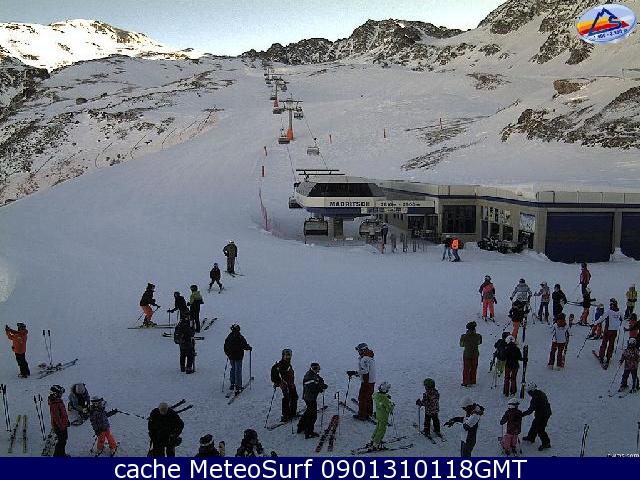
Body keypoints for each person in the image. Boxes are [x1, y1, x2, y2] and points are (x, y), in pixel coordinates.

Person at [297, 362, 327, 439]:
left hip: (310, 397)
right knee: (312, 415)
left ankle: (300, 427)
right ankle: (309, 432)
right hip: (309, 398)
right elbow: (313, 388)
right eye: (318, 369)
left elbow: (319, 379)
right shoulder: (309, 376)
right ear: (314, 368)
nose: (319, 370)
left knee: (308, 412)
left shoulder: (313, 374)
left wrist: (322, 384)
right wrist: (321, 388)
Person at [347, 343, 376, 420]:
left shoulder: (364, 359)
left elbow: (366, 371)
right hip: (372, 381)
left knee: (362, 398)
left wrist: (355, 372)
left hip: (366, 382)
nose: (358, 352)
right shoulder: (370, 356)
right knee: (368, 397)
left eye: (359, 350)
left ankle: (362, 415)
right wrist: (358, 374)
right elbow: (368, 370)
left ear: (363, 350)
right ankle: (369, 412)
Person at [522, 383, 552, 451]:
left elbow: (530, 410)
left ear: (531, 391)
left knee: (540, 429)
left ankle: (546, 443)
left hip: (543, 415)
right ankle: (531, 437)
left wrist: (522, 414)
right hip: (544, 413)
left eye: (528, 392)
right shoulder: (540, 392)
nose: (528, 394)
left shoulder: (535, 398)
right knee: (534, 424)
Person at [594, 298, 623, 367]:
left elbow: (602, 318)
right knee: (611, 344)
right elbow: (622, 319)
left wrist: (595, 323)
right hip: (615, 331)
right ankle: (608, 358)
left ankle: (601, 356)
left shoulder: (609, 312)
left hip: (608, 330)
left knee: (604, 343)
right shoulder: (620, 312)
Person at [271, 349, 298, 422]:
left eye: (289, 355)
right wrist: (278, 382)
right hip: (286, 385)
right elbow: (275, 374)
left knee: (294, 397)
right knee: (287, 398)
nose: (288, 357)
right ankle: (286, 415)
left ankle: (292, 413)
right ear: (283, 356)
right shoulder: (280, 365)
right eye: (286, 355)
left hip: (291, 384)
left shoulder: (287, 364)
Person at [223, 324, 252, 393]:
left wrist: (228, 354)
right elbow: (244, 345)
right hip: (238, 357)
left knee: (233, 369)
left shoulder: (229, 337)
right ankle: (238, 385)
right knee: (238, 370)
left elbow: (225, 346)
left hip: (231, 356)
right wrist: (249, 348)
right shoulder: (240, 337)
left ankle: (232, 384)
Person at [369, 382, 394, 450]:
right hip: (383, 416)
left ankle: (373, 439)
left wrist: (386, 396)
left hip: (378, 414)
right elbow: (388, 408)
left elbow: (376, 396)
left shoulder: (376, 395)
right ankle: (376, 443)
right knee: (382, 429)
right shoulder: (384, 399)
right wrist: (392, 405)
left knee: (378, 427)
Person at [48, 385, 70, 457]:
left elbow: (63, 413)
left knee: (63, 440)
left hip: (62, 425)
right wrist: (62, 426)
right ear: (55, 394)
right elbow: (57, 418)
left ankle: (61, 454)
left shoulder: (58, 401)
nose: (61, 395)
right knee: (61, 441)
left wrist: (66, 421)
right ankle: (57, 455)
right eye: (60, 393)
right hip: (59, 426)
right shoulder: (54, 404)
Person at [460, 322, 482, 387]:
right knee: (474, 368)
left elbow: (461, 345)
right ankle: (472, 380)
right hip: (475, 354)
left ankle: (466, 382)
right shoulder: (478, 336)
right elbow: (479, 343)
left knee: (466, 369)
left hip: (467, 354)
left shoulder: (464, 336)